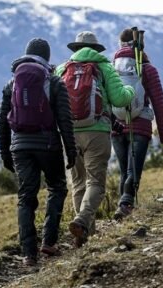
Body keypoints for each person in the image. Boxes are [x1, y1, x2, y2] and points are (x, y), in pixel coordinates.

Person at [0, 38, 76, 267]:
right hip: (49, 145)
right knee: (57, 187)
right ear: (47, 58)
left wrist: (5, 153)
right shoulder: (54, 82)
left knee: (26, 197)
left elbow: (2, 121)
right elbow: (65, 120)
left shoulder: (11, 83)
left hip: (20, 147)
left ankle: (28, 254)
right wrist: (70, 151)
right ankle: (49, 242)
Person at [55, 31, 135, 247]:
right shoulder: (104, 67)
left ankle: (84, 233)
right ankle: (82, 220)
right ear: (97, 49)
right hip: (97, 131)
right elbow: (120, 98)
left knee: (78, 181)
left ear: (75, 49)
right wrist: (130, 90)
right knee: (96, 182)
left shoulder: (62, 69)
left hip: (70, 134)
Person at [111, 28, 163, 220]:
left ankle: (123, 207)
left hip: (117, 127)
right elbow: (158, 103)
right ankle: (126, 205)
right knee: (133, 170)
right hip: (140, 126)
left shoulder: (112, 68)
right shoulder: (148, 69)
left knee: (124, 171)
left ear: (120, 45)